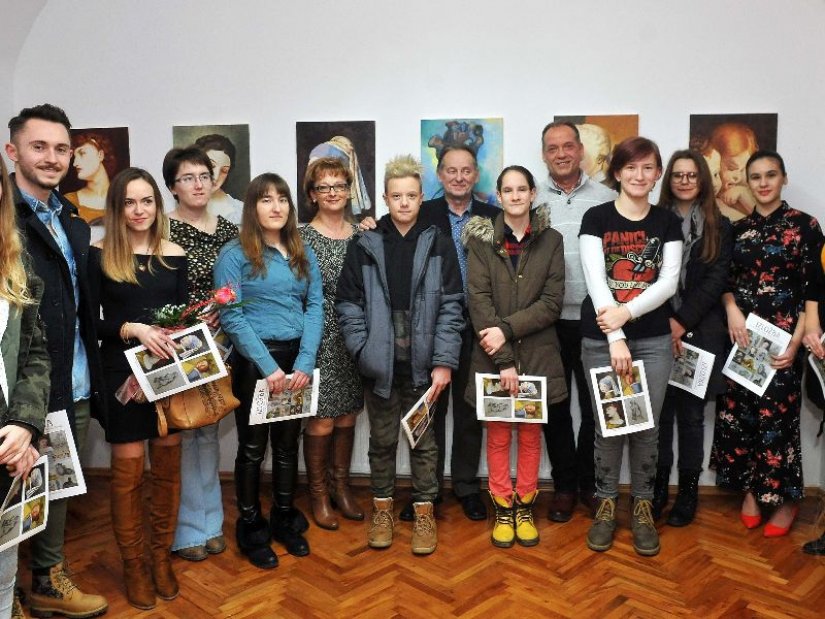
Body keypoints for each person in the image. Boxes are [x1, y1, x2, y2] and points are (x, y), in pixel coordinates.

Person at [6, 103, 109, 617]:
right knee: (8, 494)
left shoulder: (71, 217)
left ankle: (47, 580)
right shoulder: (5, 215)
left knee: (58, 484)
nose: (51, 158)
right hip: (17, 384)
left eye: (61, 148)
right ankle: (7, 594)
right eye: (38, 146)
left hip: (73, 376)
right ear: (13, 151)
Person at [336, 154, 464, 555]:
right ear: (386, 199)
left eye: (411, 195)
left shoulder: (438, 242)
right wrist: (363, 350)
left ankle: (424, 512)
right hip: (382, 366)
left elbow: (452, 306)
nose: (404, 202)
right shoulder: (366, 242)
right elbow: (348, 304)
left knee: (425, 444)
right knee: (383, 442)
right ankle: (382, 509)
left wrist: (444, 362)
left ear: (422, 197)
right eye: (396, 196)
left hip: (426, 367)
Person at [710, 150, 823, 537]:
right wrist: (731, 311)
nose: (762, 183)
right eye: (755, 176)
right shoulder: (737, 230)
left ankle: (787, 499)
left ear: (783, 179)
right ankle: (752, 492)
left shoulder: (806, 226)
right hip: (743, 340)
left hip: (784, 340)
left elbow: (814, 289)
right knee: (743, 417)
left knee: (777, 421)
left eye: (770, 175)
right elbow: (724, 283)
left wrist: (797, 342)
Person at [88, 167, 187, 609]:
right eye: (129, 202)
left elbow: (182, 318)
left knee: (167, 469)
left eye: (146, 201)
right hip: (121, 374)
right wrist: (133, 328)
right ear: (117, 207)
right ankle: (134, 564)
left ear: (157, 204)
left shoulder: (175, 253)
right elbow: (89, 321)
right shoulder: (99, 253)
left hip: (168, 374)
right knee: (127, 474)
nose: (139, 210)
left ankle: (160, 558)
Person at [579, 136, 683, 557]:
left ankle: (642, 506)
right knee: (609, 425)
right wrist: (616, 333)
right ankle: (605, 504)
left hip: (655, 340)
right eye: (631, 168)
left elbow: (668, 282)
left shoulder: (667, 222)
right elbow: (594, 277)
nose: (639, 176)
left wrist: (626, 316)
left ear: (657, 174)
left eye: (648, 168)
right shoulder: (596, 217)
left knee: (646, 426)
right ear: (618, 173)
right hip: (602, 337)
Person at [214, 173, 323, 569]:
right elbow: (231, 314)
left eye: (282, 199)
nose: (276, 206)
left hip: (297, 364)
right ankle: (250, 525)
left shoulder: (301, 251)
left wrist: (305, 362)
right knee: (252, 447)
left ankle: (283, 517)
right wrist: (268, 367)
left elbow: (315, 307)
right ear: (252, 207)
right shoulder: (233, 253)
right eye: (266, 199)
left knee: (288, 445)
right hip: (255, 364)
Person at [463, 165, 566, 548]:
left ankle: (525, 504)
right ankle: (502, 506)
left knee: (530, 433)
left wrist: (506, 330)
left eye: (522, 189)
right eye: (508, 190)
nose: (516, 196)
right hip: (492, 358)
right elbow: (479, 303)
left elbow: (552, 304)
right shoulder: (480, 242)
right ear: (499, 197)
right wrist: (504, 359)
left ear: (533, 194)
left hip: (539, 357)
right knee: (499, 433)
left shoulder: (551, 241)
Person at [535, 121, 617, 521]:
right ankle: (564, 486)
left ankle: (588, 481)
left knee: (595, 405)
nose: (562, 153)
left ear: (581, 150)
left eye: (569, 146)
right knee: (554, 407)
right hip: (546, 322)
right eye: (553, 148)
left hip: (594, 320)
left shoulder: (607, 197)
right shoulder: (531, 199)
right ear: (544, 154)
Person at [163, 146, 239, 562]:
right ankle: (187, 530)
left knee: (207, 428)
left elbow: (237, 286)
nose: (197, 184)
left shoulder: (229, 230)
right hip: (176, 344)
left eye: (203, 176)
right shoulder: (161, 229)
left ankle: (210, 523)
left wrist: (222, 315)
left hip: (220, 342)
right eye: (187, 177)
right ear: (172, 186)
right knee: (184, 432)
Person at [651, 150, 733, 527]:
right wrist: (667, 323)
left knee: (691, 417)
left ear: (703, 180)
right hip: (656, 330)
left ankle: (687, 494)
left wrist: (681, 322)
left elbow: (717, 281)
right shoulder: (653, 222)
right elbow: (646, 279)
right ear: (669, 180)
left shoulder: (721, 225)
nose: (684, 181)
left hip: (701, 332)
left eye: (692, 175)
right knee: (659, 417)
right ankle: (654, 491)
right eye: (678, 175)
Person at [298, 157, 364, 530]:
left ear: (348, 190)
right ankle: (319, 494)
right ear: (312, 194)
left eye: (339, 185)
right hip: (317, 335)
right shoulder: (301, 237)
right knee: (321, 419)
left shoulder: (363, 235)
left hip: (355, 337)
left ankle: (342, 488)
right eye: (324, 186)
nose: (333, 192)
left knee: (348, 414)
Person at [0, 155, 50, 619]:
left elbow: (34, 353)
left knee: (2, 571)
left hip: (10, 445)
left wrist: (24, 423)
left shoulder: (17, 271)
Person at [64, 132, 116, 226]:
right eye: (75, 157)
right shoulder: (69, 201)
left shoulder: (125, 196)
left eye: (82, 154)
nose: (75, 163)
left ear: (100, 155)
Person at [194, 134, 244, 225]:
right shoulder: (182, 204)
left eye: (224, 171)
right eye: (212, 166)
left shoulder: (241, 211)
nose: (216, 177)